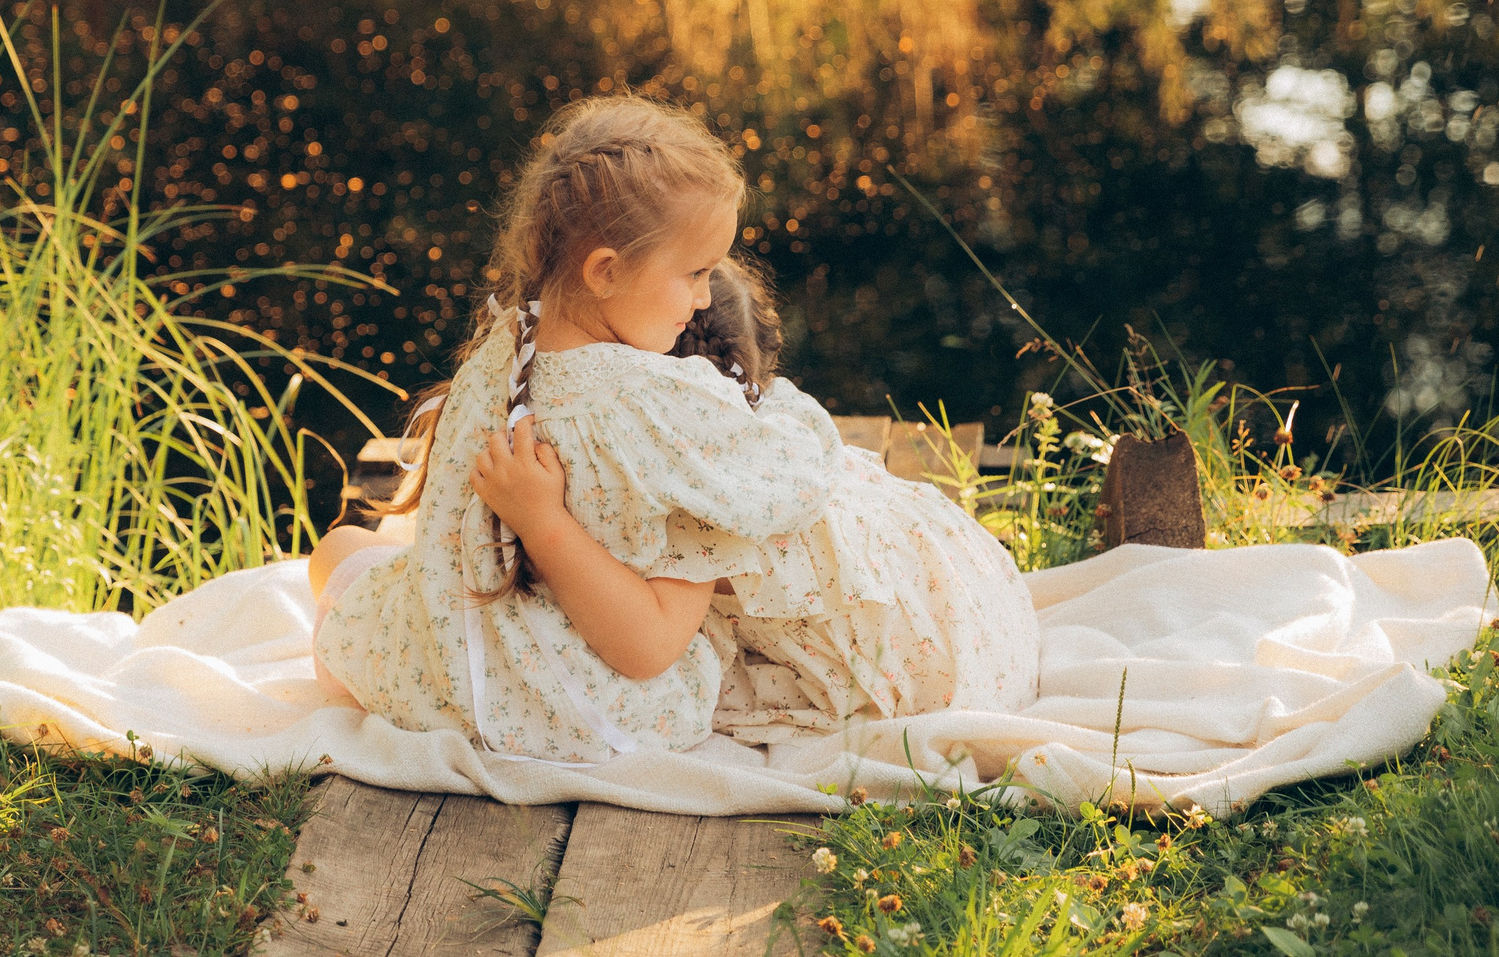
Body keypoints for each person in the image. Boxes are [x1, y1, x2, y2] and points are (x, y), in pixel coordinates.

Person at [308, 92, 1035, 760]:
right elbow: (650, 647)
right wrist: (540, 518)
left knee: (340, 552)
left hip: (925, 625)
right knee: (350, 557)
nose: (705, 296)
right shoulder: (656, 424)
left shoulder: (507, 350)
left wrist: (536, 519)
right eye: (693, 274)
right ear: (603, 271)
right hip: (928, 641)